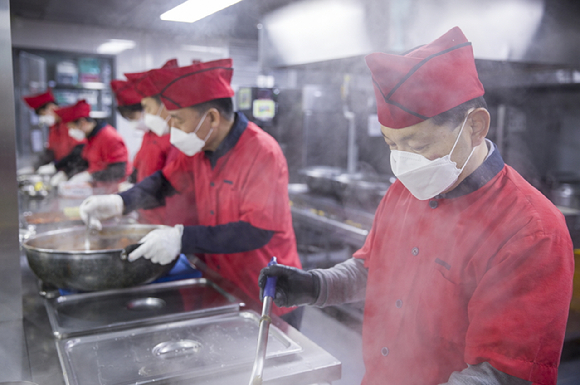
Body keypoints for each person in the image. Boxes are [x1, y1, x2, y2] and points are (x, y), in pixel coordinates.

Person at [258, 27, 574, 385]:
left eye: (419, 146)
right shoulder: (406, 190)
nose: (404, 162)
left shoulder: (531, 231)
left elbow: (498, 375)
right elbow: (372, 270)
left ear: (474, 127)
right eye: (392, 145)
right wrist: (314, 285)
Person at [78, 59, 304, 329]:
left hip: (268, 295)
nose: (172, 132)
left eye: (178, 121)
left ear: (211, 118)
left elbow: (255, 230)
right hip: (222, 284)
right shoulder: (200, 150)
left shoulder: (262, 152)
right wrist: (119, 202)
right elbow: (164, 182)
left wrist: (182, 237)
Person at [111, 77, 174, 224]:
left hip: (164, 215)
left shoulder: (171, 136)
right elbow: (140, 164)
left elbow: (169, 180)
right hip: (145, 210)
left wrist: (130, 199)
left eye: (148, 108)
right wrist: (130, 187)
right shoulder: (148, 134)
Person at [55, 100, 129, 185]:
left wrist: (91, 176)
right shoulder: (91, 138)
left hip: (113, 190)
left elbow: (118, 172)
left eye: (72, 128)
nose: (71, 132)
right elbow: (85, 162)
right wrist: (67, 174)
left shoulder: (109, 137)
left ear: (82, 122)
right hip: (98, 188)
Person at [22, 90, 86, 183]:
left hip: (77, 172)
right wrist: (34, 168)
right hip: (64, 171)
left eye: (43, 114)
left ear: (51, 107)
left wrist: (57, 168)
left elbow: (79, 152)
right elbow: (50, 152)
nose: (43, 118)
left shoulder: (70, 122)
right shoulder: (54, 127)